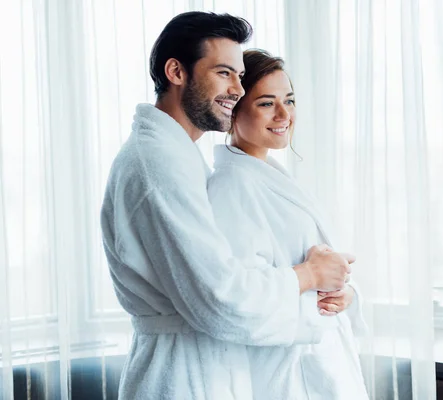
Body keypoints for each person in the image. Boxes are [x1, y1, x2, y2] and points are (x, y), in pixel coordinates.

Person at [100, 12, 354, 399]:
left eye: (238, 75)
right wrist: (308, 275)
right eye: (224, 73)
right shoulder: (158, 164)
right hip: (181, 379)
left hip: (207, 369)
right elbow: (219, 297)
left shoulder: (177, 156)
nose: (237, 89)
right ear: (176, 71)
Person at [207, 49, 369, 399]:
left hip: (317, 363)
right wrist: (313, 284)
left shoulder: (269, 178)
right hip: (284, 374)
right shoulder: (231, 188)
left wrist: (341, 294)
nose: (284, 114)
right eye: (266, 103)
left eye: (289, 100)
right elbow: (239, 297)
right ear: (233, 109)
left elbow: (304, 269)